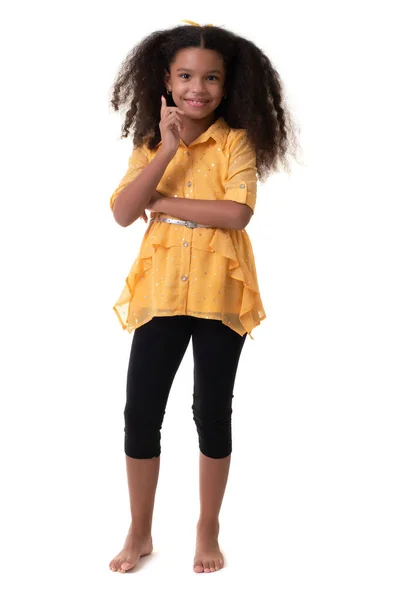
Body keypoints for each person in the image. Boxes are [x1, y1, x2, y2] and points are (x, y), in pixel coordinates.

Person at [107, 20, 298, 574]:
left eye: (211, 77)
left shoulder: (237, 141)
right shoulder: (151, 143)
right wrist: (166, 150)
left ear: (227, 83)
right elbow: (122, 211)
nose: (198, 88)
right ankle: (139, 530)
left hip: (220, 294)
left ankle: (206, 525)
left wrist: (164, 204)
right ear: (165, 80)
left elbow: (236, 213)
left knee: (211, 411)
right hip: (162, 293)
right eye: (186, 75)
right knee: (140, 412)